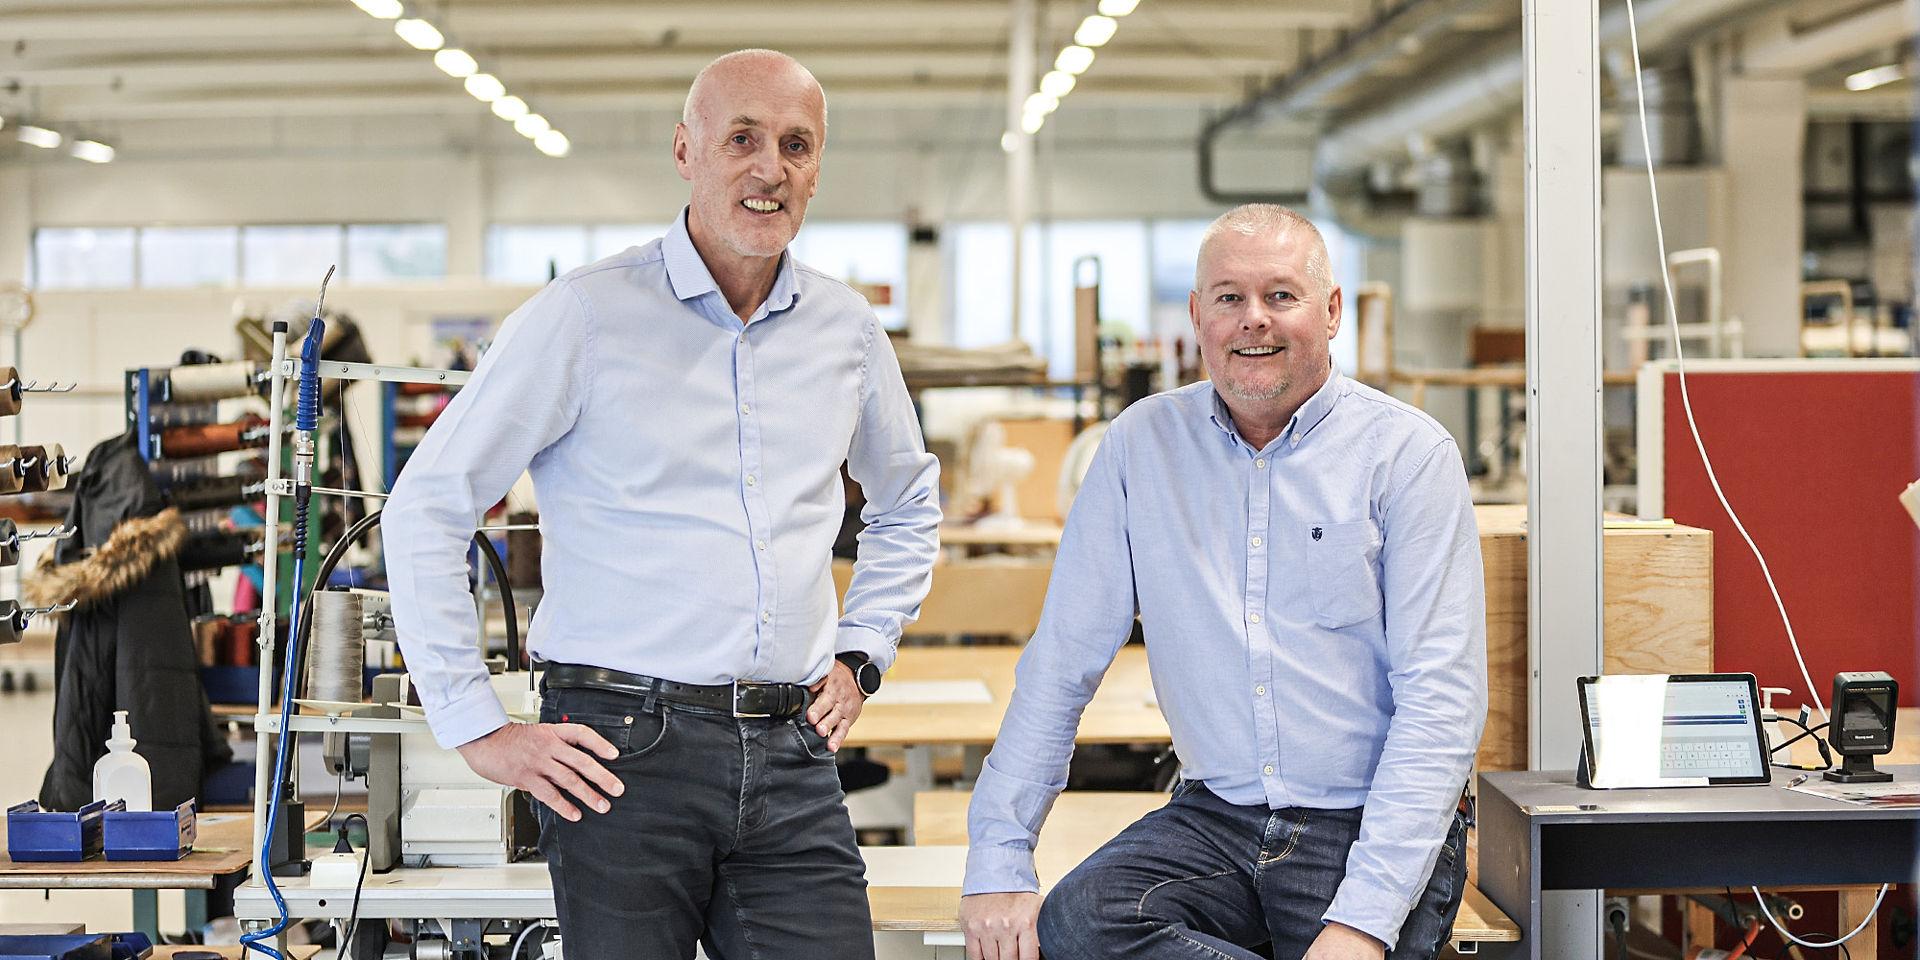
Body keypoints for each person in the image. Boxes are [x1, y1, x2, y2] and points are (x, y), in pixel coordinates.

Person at [383, 49, 941, 960]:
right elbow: (428, 506)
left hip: (793, 749)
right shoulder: (585, 316)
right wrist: (475, 725)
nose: (771, 168)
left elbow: (909, 499)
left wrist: (862, 650)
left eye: (796, 145)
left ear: (817, 169)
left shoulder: (845, 330)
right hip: (621, 755)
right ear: (686, 151)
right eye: (742, 139)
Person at [958, 204, 1486, 960]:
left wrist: (1364, 920)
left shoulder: (1407, 455)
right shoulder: (1140, 447)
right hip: (1215, 818)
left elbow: (1441, 700)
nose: (1253, 320)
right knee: (1079, 924)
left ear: (1331, 311)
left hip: (1364, 821)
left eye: (1281, 295)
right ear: (1197, 316)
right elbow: (1061, 660)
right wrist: (999, 856)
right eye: (1230, 297)